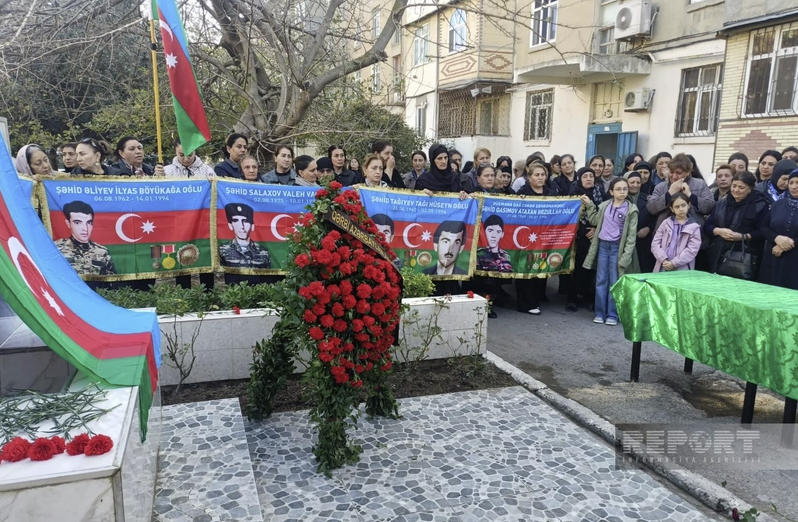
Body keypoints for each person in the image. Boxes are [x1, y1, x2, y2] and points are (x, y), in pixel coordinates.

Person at [583, 177, 638, 326]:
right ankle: (600, 313)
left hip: (617, 248)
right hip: (603, 246)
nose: (622, 192)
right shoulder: (604, 206)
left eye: (625, 189)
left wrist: (625, 257)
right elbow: (595, 221)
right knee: (601, 280)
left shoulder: (631, 210)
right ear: (611, 191)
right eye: (618, 189)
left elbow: (631, 237)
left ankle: (612, 314)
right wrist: (590, 205)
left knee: (615, 281)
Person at [704, 171, 770, 277]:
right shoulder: (723, 202)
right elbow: (708, 225)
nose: (736, 190)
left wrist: (742, 236)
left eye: (741, 187)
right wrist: (719, 231)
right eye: (734, 186)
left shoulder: (759, 205)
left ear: (750, 189)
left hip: (745, 254)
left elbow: (763, 231)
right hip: (718, 251)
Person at [515, 162, 555, 315]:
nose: (540, 177)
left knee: (540, 266)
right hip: (526, 237)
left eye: (543, 174)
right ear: (529, 177)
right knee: (526, 268)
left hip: (543, 238)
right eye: (536, 174)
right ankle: (525, 303)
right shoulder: (522, 193)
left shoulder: (551, 194)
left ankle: (537, 299)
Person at [565, 167, 604, 311]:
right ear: (579, 179)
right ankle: (572, 299)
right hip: (577, 237)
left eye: (591, 176)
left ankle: (588, 298)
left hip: (594, 236)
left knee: (591, 269)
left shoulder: (600, 193)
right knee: (575, 269)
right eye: (585, 176)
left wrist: (596, 228)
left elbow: (604, 214)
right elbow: (568, 215)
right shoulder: (574, 194)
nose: (589, 179)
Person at [646, 153, 714, 235]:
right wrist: (669, 194)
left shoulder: (700, 184)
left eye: (678, 173)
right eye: (671, 172)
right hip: (665, 235)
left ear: (688, 172)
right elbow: (651, 208)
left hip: (692, 235)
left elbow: (710, 207)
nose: (674, 176)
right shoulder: (661, 187)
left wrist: (690, 196)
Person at [759, 169, 798, 290]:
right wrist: (776, 238)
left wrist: (789, 243)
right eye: (791, 183)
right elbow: (764, 227)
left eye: (797, 183)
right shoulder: (778, 204)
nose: (794, 186)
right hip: (773, 257)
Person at [54, 200, 115, 275]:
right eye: (77, 223)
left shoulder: (102, 252)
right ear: (68, 223)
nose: (85, 228)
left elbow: (110, 279)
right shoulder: (56, 249)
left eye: (89, 222)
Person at [650, 192, 702, 272]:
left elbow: (692, 250)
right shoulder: (665, 223)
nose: (681, 209)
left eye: (683, 205)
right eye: (677, 207)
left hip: (682, 268)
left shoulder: (694, 227)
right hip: (663, 265)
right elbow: (655, 243)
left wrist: (674, 263)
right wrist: (663, 259)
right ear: (672, 209)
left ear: (689, 205)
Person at [474, 214, 511, 318]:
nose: (494, 235)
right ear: (484, 231)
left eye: (498, 232)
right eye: (490, 231)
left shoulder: (506, 256)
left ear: (502, 234)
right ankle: (484, 305)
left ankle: (493, 300)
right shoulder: (479, 254)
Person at [219, 203, 272, 269]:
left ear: (252, 226)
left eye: (245, 221)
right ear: (230, 225)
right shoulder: (221, 250)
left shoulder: (263, 252)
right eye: (236, 221)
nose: (241, 226)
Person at [627, 171, 654, 273]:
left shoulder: (647, 199)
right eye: (632, 182)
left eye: (638, 182)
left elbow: (654, 218)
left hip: (643, 242)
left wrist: (648, 228)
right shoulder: (620, 199)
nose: (635, 185)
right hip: (625, 243)